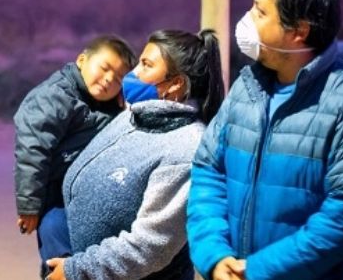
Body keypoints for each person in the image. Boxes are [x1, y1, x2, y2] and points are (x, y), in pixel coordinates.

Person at [187, 0, 343, 280]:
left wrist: (257, 271)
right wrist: (214, 256)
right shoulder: (246, 87)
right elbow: (208, 170)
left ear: (299, 31)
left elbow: (341, 214)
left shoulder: (340, 101)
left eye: (260, 13)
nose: (247, 20)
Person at [43, 28, 224, 280]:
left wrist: (77, 270)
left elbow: (151, 245)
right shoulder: (133, 116)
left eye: (146, 65)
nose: (132, 74)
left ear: (175, 84)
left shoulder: (186, 147)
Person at [13, 35, 137, 267]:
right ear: (81, 60)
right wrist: (29, 206)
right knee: (56, 237)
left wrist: (130, 99)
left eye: (119, 78)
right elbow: (32, 151)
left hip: (87, 194)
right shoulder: (54, 96)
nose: (109, 79)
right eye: (104, 68)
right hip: (55, 194)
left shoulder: (111, 106)